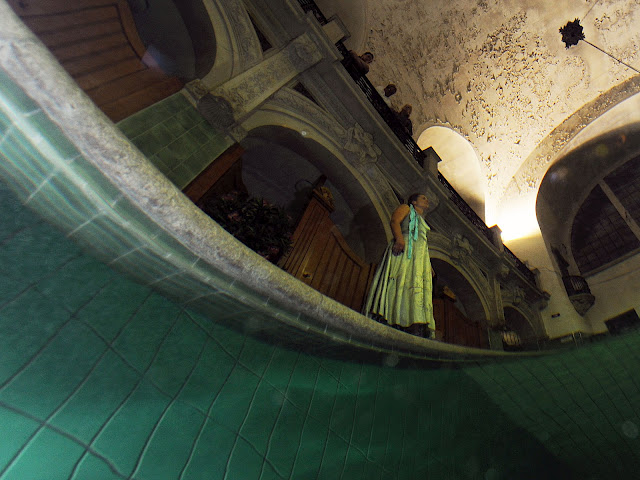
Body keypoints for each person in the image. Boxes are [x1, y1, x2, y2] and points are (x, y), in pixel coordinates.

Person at [364, 193, 436, 338]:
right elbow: (395, 221)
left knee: (414, 284)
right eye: (423, 198)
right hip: (406, 249)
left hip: (419, 256)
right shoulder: (406, 208)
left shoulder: (421, 219)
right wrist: (399, 239)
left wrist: (428, 265)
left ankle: (412, 319)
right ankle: (393, 316)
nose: (427, 200)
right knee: (401, 278)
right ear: (414, 202)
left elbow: (422, 244)